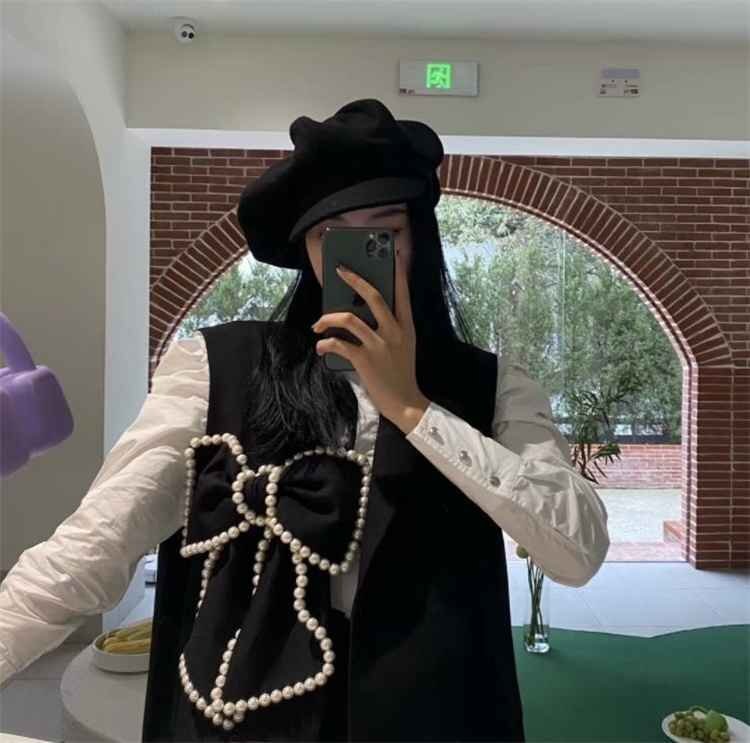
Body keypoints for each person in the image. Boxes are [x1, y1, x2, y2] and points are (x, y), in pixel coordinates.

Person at [0, 98, 610, 741]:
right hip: (241, 718)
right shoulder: (213, 369)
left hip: (437, 715)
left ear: (420, 239)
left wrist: (412, 408)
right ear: (307, 251)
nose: (357, 259)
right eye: (331, 235)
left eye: (385, 232)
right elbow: (93, 547)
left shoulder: (495, 385)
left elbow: (577, 551)